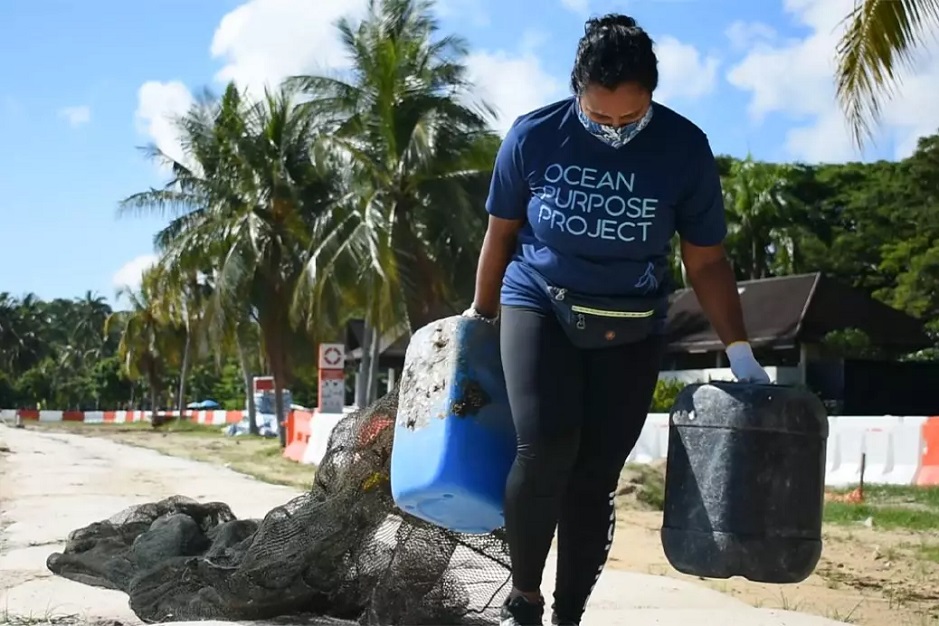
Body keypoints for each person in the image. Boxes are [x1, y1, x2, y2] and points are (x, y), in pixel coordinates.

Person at [464, 13, 771, 626]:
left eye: (629, 118)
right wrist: (481, 316)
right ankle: (524, 599)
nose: (613, 130)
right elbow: (500, 235)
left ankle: (568, 613)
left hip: (632, 318)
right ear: (578, 91)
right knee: (546, 448)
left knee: (596, 473)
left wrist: (740, 350)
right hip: (541, 302)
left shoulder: (684, 148)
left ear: (651, 95)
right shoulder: (534, 136)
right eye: (599, 117)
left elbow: (706, 261)